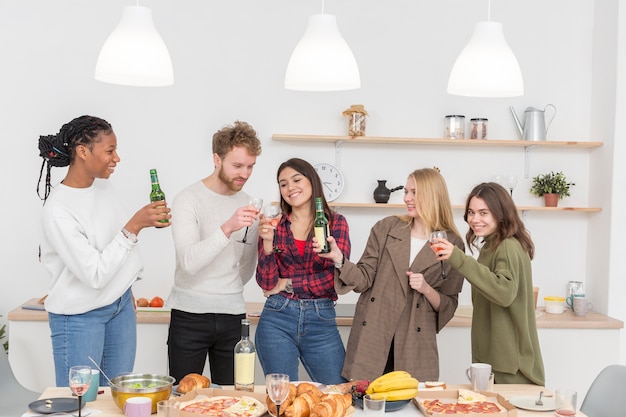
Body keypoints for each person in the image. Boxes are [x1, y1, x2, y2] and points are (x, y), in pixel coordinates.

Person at [36, 115, 171, 387]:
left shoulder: (103, 188)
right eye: (110, 150)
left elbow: (115, 246)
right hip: (79, 318)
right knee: (80, 405)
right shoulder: (58, 210)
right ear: (83, 151)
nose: (116, 158)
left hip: (119, 308)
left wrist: (125, 288)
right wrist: (135, 225)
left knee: (115, 400)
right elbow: (94, 274)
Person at [332, 168, 465, 382]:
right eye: (406, 191)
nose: (406, 198)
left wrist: (426, 288)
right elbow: (364, 278)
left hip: (415, 341)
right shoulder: (386, 228)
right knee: (365, 405)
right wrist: (339, 260)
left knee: (412, 408)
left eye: (414, 192)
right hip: (375, 333)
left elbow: (449, 303)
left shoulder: (452, 244)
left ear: (432, 195)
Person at [167, 120, 262, 385]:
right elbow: (189, 263)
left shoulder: (249, 204)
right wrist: (227, 228)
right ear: (216, 159)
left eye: (251, 166)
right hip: (188, 317)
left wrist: (226, 288)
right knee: (184, 401)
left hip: (233, 316)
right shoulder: (188, 199)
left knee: (234, 400)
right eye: (238, 165)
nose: (245, 173)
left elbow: (245, 267)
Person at [434, 182, 545, 385]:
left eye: (483, 212)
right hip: (497, 362)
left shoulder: (508, 246)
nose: (474, 219)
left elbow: (504, 292)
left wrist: (458, 258)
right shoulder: (492, 246)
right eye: (471, 212)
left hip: (510, 367)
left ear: (500, 213)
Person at [256, 158, 351, 384]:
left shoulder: (336, 223)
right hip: (276, 319)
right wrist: (268, 244)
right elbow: (267, 283)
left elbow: (333, 279)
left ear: (312, 181)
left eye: (296, 180)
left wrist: (287, 283)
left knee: (338, 393)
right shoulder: (274, 224)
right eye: (283, 184)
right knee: (282, 399)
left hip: (321, 320)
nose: (290, 188)